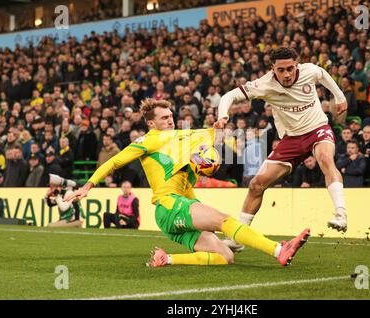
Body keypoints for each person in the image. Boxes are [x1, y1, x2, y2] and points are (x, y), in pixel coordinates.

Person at [65, 99, 310, 267]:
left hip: (175, 212)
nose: (170, 121)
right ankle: (278, 250)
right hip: (169, 206)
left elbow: (207, 144)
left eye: (171, 116)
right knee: (224, 220)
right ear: (151, 123)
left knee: (225, 256)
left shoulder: (183, 138)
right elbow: (115, 162)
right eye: (164, 118)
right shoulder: (149, 140)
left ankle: (167, 259)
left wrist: (217, 130)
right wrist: (88, 185)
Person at [215, 47, 348, 253]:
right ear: (273, 69)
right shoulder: (264, 84)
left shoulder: (309, 71)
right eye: (281, 70)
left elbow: (323, 74)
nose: (286, 74)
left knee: (324, 158)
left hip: (317, 129)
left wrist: (340, 97)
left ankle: (340, 213)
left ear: (297, 65)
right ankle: (237, 238)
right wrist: (223, 115)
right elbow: (228, 97)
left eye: (290, 68)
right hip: (291, 139)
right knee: (256, 185)